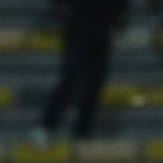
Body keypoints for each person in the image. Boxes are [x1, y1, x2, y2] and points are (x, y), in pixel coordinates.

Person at [36, 0, 130, 144]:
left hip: (102, 27)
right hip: (79, 25)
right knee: (72, 77)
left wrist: (119, 17)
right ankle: (47, 126)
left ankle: (82, 131)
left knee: (95, 82)